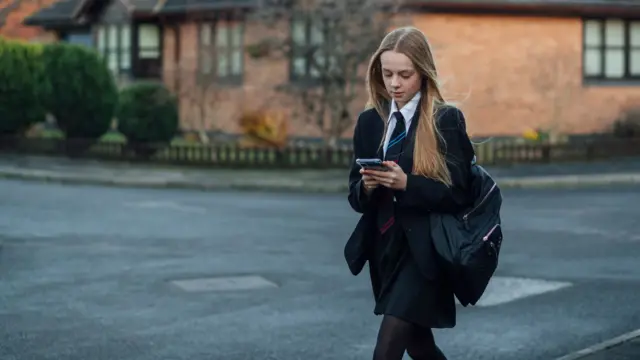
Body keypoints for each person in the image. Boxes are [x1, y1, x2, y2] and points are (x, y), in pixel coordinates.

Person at [344, 26, 476, 360]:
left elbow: (460, 194)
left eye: (405, 74)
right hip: (383, 248)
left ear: (423, 72)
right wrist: (368, 186)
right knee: (419, 345)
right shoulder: (370, 121)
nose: (394, 84)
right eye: (387, 73)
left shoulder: (444, 120)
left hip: (423, 250)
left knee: (386, 349)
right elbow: (355, 196)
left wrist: (408, 184)